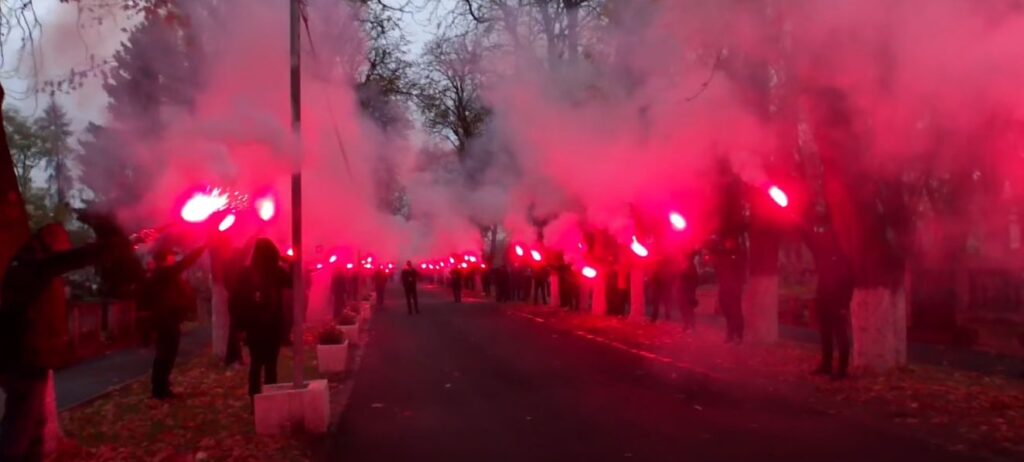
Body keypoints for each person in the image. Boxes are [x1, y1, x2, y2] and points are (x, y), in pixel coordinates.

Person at [1, 219, 123, 461]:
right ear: (48, 241)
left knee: (34, 425)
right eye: (61, 239)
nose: (65, 244)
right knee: (18, 429)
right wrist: (119, 245)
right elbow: (72, 259)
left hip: (31, 359)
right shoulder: (32, 266)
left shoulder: (34, 266)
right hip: (24, 361)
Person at [139, 245, 206, 399]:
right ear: (165, 258)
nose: (172, 258)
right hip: (166, 321)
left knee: (164, 355)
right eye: (170, 256)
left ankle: (160, 388)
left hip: (165, 319)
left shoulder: (157, 274)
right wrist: (202, 246)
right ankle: (160, 390)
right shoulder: (163, 273)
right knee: (166, 355)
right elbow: (185, 263)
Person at [230, 239, 291, 397]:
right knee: (271, 365)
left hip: (254, 327)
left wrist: (240, 327)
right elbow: (293, 281)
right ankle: (270, 398)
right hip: (273, 325)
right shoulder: (276, 272)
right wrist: (290, 262)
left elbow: (236, 302)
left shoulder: (246, 273)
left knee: (256, 365)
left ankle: (255, 399)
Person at [805, 218, 854, 380]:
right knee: (825, 333)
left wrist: (844, 303)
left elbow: (849, 280)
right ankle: (826, 365)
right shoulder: (825, 254)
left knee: (840, 334)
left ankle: (842, 371)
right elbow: (811, 241)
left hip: (838, 299)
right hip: (825, 296)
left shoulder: (844, 256)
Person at [716, 236, 746, 344]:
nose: (727, 243)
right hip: (724, 287)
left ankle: (738, 335)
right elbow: (720, 270)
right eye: (726, 241)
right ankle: (730, 334)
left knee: (736, 312)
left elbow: (741, 272)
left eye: (730, 241)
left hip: (734, 288)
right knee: (727, 311)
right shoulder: (723, 254)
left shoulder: (738, 254)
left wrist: (738, 287)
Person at [679, 252, 700, 331]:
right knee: (684, 308)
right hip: (683, 290)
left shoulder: (690, 267)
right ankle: (687, 324)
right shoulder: (684, 266)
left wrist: (691, 289)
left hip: (688, 291)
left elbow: (695, 279)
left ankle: (691, 324)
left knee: (688, 308)